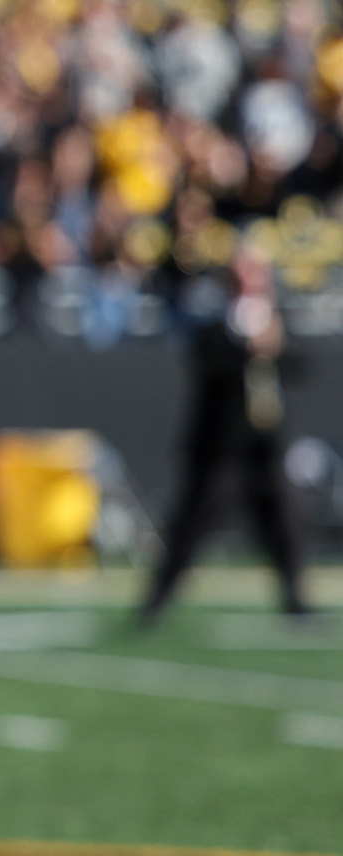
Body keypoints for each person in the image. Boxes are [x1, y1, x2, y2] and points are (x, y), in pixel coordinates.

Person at [140, 248, 311, 624]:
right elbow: (209, 365)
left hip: (264, 445)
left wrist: (274, 347)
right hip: (221, 448)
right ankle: (155, 603)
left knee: (282, 525)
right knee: (192, 526)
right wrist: (249, 349)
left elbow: (302, 365)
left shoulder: (276, 321)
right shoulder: (215, 325)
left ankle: (297, 602)